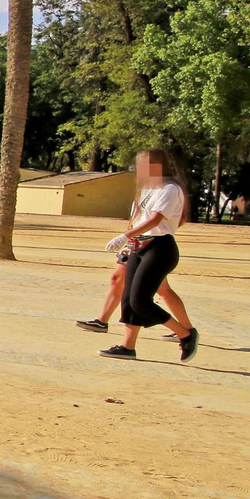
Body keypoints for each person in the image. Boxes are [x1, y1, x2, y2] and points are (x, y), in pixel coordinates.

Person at [98, 148, 198, 363]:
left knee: (141, 301)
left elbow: (155, 220)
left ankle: (185, 334)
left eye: (147, 165)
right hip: (139, 246)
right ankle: (127, 347)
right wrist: (129, 242)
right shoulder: (147, 189)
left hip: (159, 248)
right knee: (128, 299)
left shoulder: (170, 189)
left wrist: (124, 236)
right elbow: (138, 218)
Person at [75, 197, 192, 336]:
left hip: (150, 246)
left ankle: (186, 331)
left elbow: (164, 219)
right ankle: (102, 321)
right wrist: (129, 242)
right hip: (137, 244)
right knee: (118, 279)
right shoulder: (144, 191)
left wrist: (130, 238)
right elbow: (135, 220)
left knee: (160, 290)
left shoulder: (166, 190)